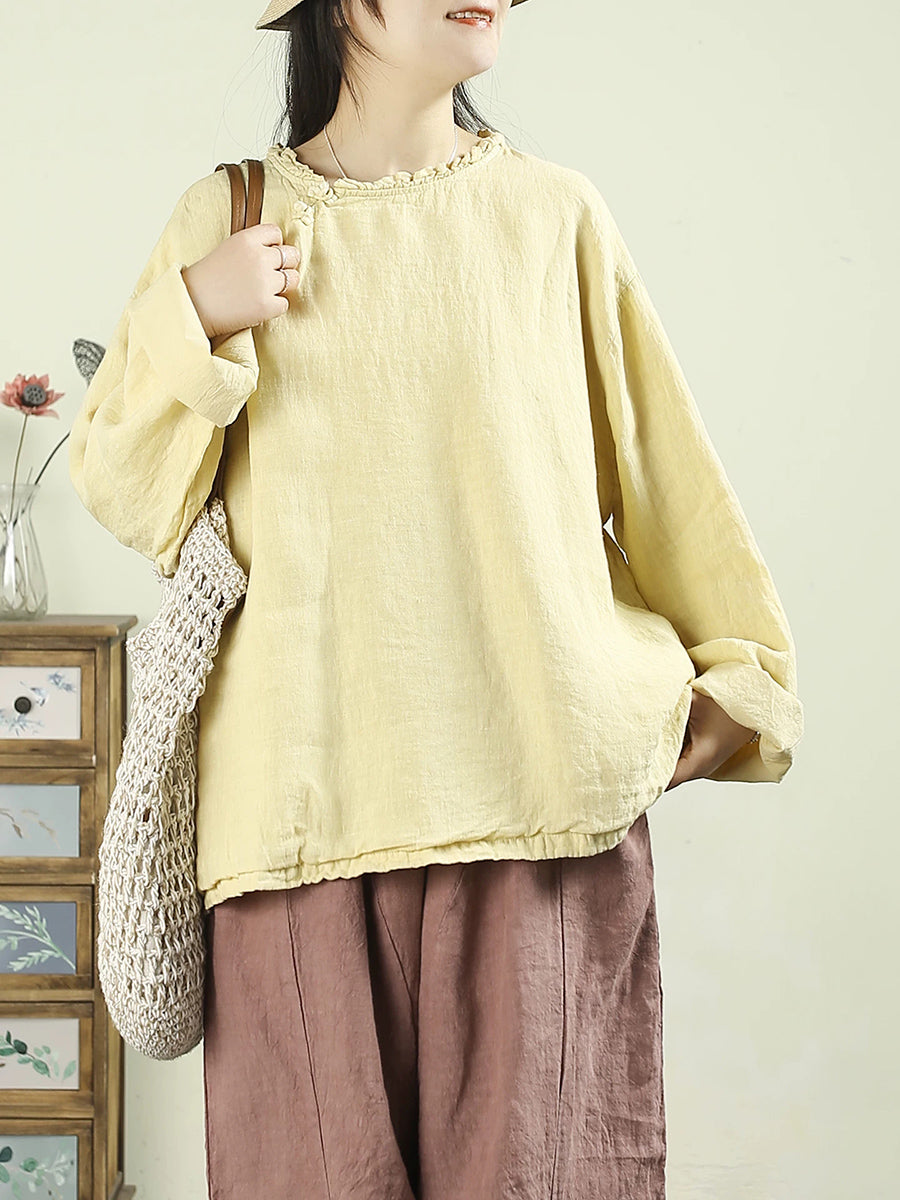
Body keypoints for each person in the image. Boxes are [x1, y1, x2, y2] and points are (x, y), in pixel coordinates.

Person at [68, 1, 804, 1197]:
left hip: (538, 818)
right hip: (299, 830)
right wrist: (192, 312)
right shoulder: (232, 218)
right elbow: (123, 484)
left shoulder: (554, 216)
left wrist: (742, 680)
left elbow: (668, 480)